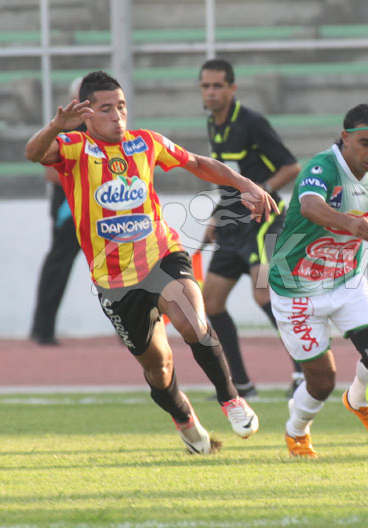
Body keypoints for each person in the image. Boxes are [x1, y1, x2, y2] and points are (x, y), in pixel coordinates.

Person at [25, 70, 279, 455]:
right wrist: (55, 126)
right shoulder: (74, 147)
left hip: (162, 257)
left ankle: (231, 399)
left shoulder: (145, 142)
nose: (117, 116)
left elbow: (197, 163)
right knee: (158, 368)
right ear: (87, 114)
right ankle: (185, 418)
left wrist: (246, 184)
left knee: (193, 322)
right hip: (115, 281)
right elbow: (34, 153)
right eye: (106, 109)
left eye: (121, 106)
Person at [268, 103, 368, 458]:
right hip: (296, 289)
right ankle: (296, 430)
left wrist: (351, 231)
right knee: (322, 381)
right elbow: (310, 206)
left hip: (345, 280)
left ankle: (359, 401)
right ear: (345, 138)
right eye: (365, 143)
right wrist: (351, 224)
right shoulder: (322, 167)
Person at [198, 58, 305, 399]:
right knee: (211, 301)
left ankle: (305, 371)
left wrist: (260, 192)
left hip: (265, 222)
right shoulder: (213, 124)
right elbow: (228, 179)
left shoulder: (252, 122)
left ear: (232, 88)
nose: (211, 92)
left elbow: (291, 167)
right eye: (206, 86)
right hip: (232, 226)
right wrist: (217, 216)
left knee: (264, 292)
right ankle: (241, 384)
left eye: (218, 86)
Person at [29, 77, 85, 346]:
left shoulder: (105, 128)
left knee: (120, 267)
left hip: (102, 210)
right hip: (69, 211)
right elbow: (50, 173)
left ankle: (131, 328)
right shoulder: (64, 128)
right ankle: (42, 328)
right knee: (58, 265)